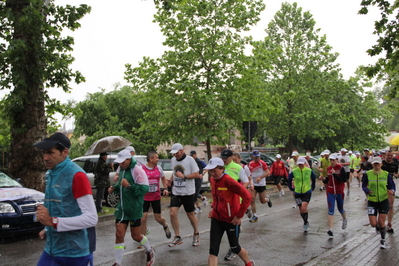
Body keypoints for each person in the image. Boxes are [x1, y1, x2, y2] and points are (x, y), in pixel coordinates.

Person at [34, 132, 98, 266]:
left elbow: (91, 218)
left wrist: (53, 222)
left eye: (50, 152)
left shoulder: (77, 175)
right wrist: (47, 229)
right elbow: (62, 208)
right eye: (43, 153)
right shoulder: (50, 174)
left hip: (74, 253)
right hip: (51, 250)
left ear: (64, 152)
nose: (45, 158)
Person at [107, 150, 155, 266]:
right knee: (119, 234)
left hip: (134, 207)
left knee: (136, 236)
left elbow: (144, 189)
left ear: (129, 160)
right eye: (119, 162)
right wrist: (114, 188)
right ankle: (118, 262)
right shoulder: (121, 169)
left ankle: (149, 250)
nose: (120, 164)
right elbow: (120, 185)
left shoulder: (137, 170)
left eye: (122, 162)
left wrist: (129, 186)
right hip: (122, 208)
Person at [205, 158, 255, 266]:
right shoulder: (213, 180)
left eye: (215, 171)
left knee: (235, 247)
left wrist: (238, 216)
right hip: (216, 218)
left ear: (222, 169)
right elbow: (216, 196)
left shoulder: (229, 181)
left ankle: (249, 263)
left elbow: (247, 196)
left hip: (231, 219)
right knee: (213, 250)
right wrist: (213, 207)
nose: (212, 174)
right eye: (210, 171)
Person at [220, 149, 252, 261]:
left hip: (234, 201)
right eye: (223, 157)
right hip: (222, 202)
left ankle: (233, 249)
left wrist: (240, 190)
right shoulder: (219, 166)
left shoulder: (238, 167)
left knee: (234, 225)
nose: (224, 160)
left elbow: (245, 181)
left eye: (226, 158)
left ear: (232, 157)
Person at [167, 143, 200, 247]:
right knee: (172, 213)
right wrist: (171, 180)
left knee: (190, 214)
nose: (175, 155)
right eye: (173, 154)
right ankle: (177, 236)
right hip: (176, 191)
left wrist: (184, 176)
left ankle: (196, 233)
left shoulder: (190, 160)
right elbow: (174, 172)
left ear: (182, 150)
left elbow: (196, 174)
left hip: (188, 192)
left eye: (176, 153)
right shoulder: (173, 160)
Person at [362, 156, 396, 249]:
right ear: (372, 165)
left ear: (381, 164)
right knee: (373, 223)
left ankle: (383, 240)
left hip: (383, 200)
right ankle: (377, 227)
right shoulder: (368, 174)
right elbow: (364, 185)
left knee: (381, 221)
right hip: (372, 201)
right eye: (375, 164)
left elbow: (392, 186)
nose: (376, 166)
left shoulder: (386, 174)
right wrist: (367, 190)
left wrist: (392, 191)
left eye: (378, 164)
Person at [141, 151, 171, 244]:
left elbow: (163, 177)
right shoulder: (142, 168)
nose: (158, 159)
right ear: (151, 159)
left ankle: (165, 225)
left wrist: (165, 188)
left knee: (158, 218)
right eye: (156, 157)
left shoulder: (159, 168)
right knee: (143, 218)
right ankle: (143, 240)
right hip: (144, 197)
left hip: (156, 196)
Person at [320, 153, 347, 237]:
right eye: (330, 160)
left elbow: (343, 180)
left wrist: (335, 174)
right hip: (330, 191)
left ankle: (345, 219)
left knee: (340, 208)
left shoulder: (341, 168)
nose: (332, 162)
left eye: (333, 160)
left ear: (336, 160)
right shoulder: (328, 169)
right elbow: (328, 180)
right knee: (330, 209)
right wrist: (324, 179)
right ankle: (330, 229)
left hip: (339, 191)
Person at [288, 157, 316, 233]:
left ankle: (305, 222)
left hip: (307, 191)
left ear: (304, 163)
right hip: (297, 192)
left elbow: (314, 178)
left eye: (301, 164)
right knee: (301, 210)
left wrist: (313, 187)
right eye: (299, 164)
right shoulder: (294, 171)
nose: (300, 165)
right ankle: (306, 222)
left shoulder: (308, 170)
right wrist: (291, 187)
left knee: (304, 208)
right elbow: (289, 178)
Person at [248, 150, 272, 223]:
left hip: (261, 184)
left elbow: (268, 172)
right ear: (252, 156)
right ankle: (255, 215)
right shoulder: (251, 163)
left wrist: (260, 177)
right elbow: (249, 173)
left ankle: (267, 199)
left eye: (258, 156)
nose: (257, 158)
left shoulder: (262, 163)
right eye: (255, 157)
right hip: (254, 184)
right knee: (252, 199)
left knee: (262, 201)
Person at [381, 150, 398, 233]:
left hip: (390, 186)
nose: (389, 157)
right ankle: (381, 223)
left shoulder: (395, 164)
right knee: (383, 206)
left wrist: (396, 175)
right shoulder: (381, 164)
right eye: (388, 155)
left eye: (391, 155)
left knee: (391, 205)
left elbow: (395, 174)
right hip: (381, 186)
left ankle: (389, 224)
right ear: (385, 155)